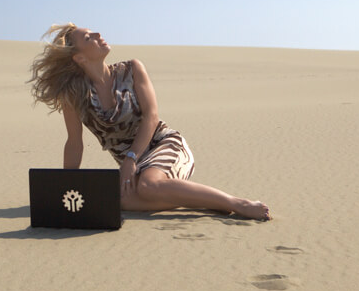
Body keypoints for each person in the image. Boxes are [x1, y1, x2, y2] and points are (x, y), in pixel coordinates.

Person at [29, 23, 271, 220]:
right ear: (79, 58)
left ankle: (234, 203)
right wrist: (67, 187)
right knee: (120, 201)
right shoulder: (74, 96)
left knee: (147, 186)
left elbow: (151, 116)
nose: (98, 34)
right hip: (133, 165)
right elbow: (74, 143)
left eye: (93, 32)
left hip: (162, 144)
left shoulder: (132, 69)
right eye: (88, 37)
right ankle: (189, 197)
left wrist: (131, 158)